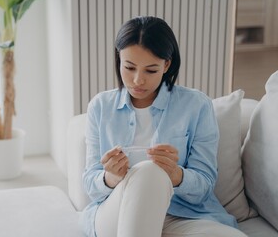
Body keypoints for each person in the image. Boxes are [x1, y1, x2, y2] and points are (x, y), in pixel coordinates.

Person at [81, 16, 247, 237]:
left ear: (166, 65)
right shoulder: (101, 107)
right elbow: (90, 184)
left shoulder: (196, 106)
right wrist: (109, 178)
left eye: (150, 70)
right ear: (119, 59)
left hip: (183, 216)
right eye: (129, 67)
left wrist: (176, 175)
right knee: (149, 171)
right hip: (117, 213)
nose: (138, 80)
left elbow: (205, 184)